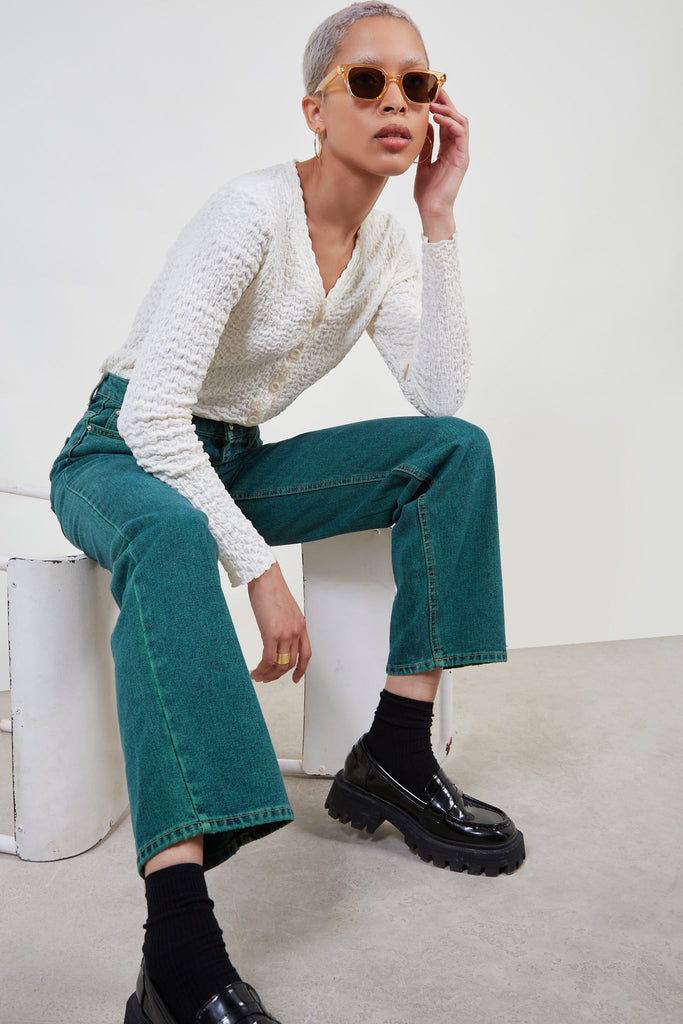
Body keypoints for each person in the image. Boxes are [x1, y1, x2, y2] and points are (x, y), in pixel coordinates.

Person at [49, 3, 525, 1022]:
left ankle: (395, 753)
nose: (395, 102)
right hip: (119, 451)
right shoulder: (249, 213)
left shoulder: (385, 238)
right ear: (315, 110)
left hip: (232, 457)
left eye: (417, 84)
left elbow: (438, 395)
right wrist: (258, 570)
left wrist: (439, 218)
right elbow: (150, 417)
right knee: (171, 532)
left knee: (454, 451)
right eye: (367, 82)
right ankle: (177, 951)